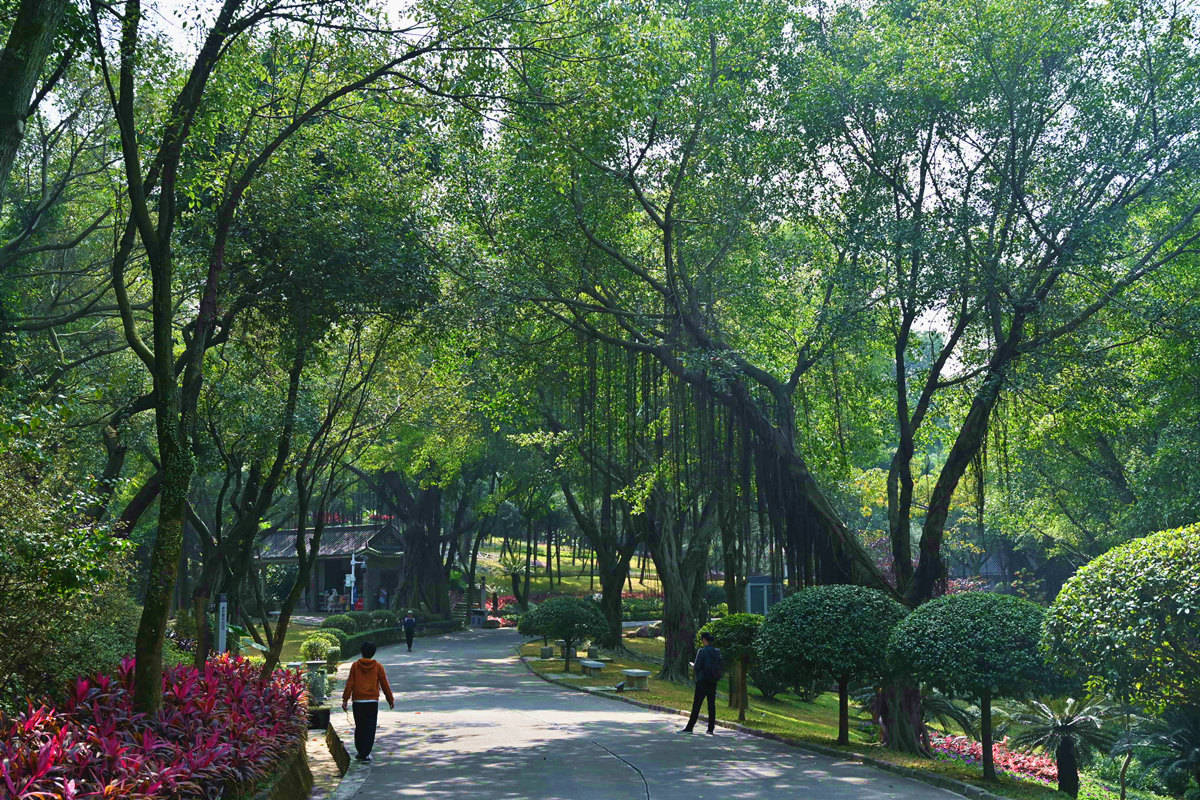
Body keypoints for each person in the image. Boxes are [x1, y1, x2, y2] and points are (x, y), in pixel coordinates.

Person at [341, 642, 394, 761]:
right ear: (373, 653)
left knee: (360, 726)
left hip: (358, 701)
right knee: (370, 728)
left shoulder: (355, 666)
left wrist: (345, 699)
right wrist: (390, 699)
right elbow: (384, 684)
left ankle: (360, 751)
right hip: (372, 701)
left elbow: (350, 683)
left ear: (362, 652)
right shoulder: (378, 666)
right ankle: (366, 752)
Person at [680, 631, 722, 735]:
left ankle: (690, 727)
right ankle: (710, 729)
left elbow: (697, 666)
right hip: (713, 681)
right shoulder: (717, 652)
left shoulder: (702, 651)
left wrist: (694, 667)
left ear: (704, 640)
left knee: (697, 705)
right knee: (711, 705)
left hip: (702, 681)